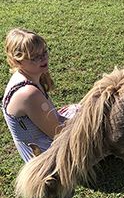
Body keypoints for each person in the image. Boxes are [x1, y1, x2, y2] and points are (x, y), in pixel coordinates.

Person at [1, 28, 79, 162]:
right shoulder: (28, 94)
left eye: (44, 52)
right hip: (46, 158)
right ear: (18, 61)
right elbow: (58, 135)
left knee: (83, 111)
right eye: (34, 57)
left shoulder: (27, 76)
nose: (43, 58)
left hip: (44, 144)